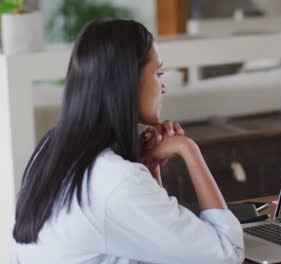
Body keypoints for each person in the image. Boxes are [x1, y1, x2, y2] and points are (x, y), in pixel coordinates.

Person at [11, 19, 244, 264]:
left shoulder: (50, 150)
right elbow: (227, 253)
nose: (163, 86)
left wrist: (150, 169)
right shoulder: (116, 179)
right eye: (158, 73)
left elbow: (161, 246)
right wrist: (189, 149)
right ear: (127, 82)